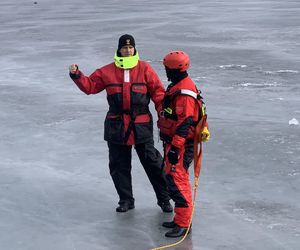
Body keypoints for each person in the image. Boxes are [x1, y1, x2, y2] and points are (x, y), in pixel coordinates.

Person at [68, 34, 173, 213]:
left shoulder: (145, 69)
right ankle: (126, 200)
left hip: (141, 124)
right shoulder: (106, 71)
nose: (128, 50)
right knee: (119, 165)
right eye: (124, 48)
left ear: (134, 49)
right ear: (119, 50)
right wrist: (76, 75)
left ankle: (164, 199)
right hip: (116, 126)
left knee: (153, 163)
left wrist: (164, 114)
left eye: (130, 47)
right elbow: (90, 86)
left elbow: (158, 93)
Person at [157, 51, 210, 237]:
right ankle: (180, 219)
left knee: (178, 181)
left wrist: (176, 148)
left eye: (166, 69)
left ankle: (184, 224)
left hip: (181, 144)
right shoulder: (178, 85)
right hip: (174, 142)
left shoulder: (185, 93)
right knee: (173, 179)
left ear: (174, 69)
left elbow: (185, 121)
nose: (165, 72)